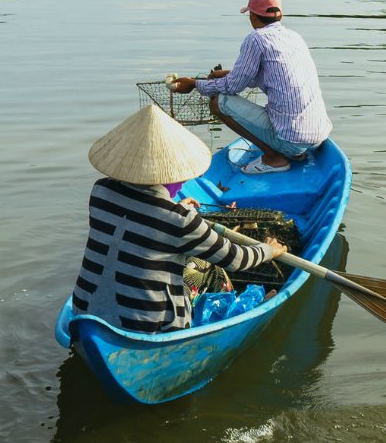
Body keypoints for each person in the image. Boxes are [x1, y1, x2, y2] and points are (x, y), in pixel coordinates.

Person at [70, 104, 286, 332]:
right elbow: (235, 259)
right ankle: (239, 310)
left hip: (85, 312)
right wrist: (269, 250)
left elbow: (139, 215)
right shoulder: (179, 220)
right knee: (206, 267)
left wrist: (175, 207)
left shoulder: (101, 192)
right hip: (148, 325)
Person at [169, 0, 331, 175]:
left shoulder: (256, 39)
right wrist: (229, 73)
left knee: (218, 102)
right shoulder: (294, 37)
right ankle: (293, 151)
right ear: (281, 15)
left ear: (253, 17)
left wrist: (195, 84)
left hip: (292, 140)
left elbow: (233, 86)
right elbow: (270, 74)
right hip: (318, 135)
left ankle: (274, 157)